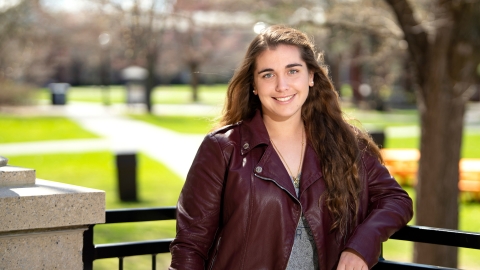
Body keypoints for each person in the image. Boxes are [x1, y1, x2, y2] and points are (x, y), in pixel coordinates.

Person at [169, 25, 413, 270]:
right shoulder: (223, 149)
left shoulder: (346, 144)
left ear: (311, 76)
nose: (282, 86)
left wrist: (360, 247)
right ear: (254, 85)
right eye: (268, 75)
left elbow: (395, 199)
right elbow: (190, 246)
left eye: (292, 71)